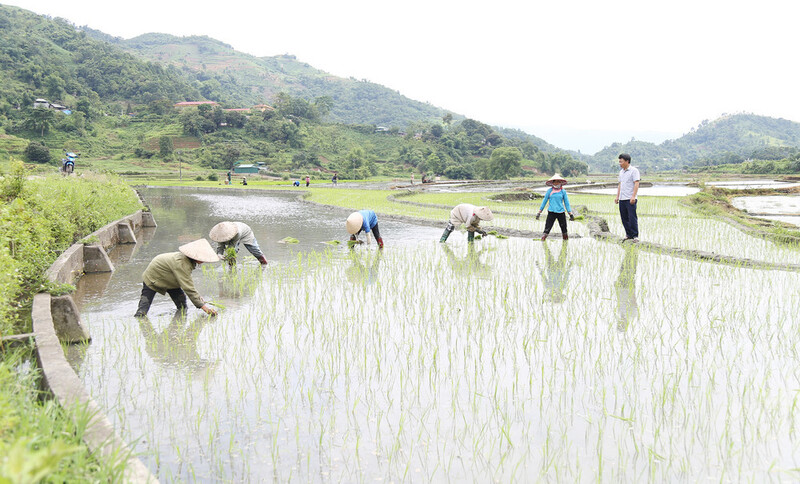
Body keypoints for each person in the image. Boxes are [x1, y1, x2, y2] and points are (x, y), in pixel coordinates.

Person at [134, 239, 220, 317]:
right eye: (203, 258)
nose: (204, 260)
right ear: (195, 256)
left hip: (171, 281)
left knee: (182, 307)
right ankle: (140, 325)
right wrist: (205, 308)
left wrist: (198, 296)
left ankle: (177, 326)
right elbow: (188, 287)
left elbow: (188, 281)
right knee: (142, 310)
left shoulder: (187, 261)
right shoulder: (182, 264)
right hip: (152, 278)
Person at [536, 173, 575, 241]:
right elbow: (544, 201)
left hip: (561, 212)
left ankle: (565, 243)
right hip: (551, 212)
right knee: (547, 228)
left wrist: (570, 213)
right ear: (552, 182)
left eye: (558, 181)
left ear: (561, 182)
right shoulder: (550, 191)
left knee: (564, 229)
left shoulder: (563, 191)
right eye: (555, 181)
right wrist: (539, 211)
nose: (557, 183)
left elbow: (566, 202)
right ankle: (542, 241)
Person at [614, 153, 641, 243]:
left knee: (632, 217)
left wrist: (633, 196)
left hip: (630, 198)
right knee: (624, 217)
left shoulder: (634, 171)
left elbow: (636, 183)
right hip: (622, 198)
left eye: (621, 162)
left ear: (627, 161)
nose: (620, 163)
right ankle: (628, 234)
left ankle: (635, 236)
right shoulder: (621, 172)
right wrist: (617, 196)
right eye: (619, 162)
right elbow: (620, 184)